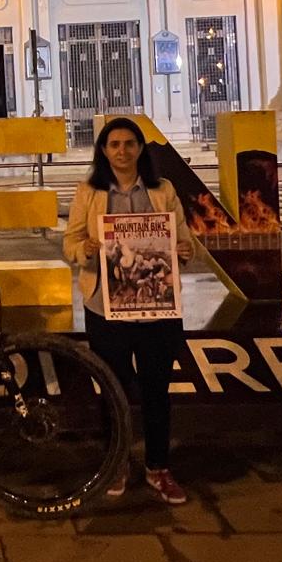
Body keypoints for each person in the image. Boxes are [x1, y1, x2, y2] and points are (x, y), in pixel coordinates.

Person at [63, 117, 195, 505]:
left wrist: (184, 252)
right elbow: (69, 242)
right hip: (106, 308)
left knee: (157, 391)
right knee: (113, 390)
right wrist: (83, 250)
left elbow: (182, 238)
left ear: (141, 148)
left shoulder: (163, 190)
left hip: (156, 310)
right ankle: (117, 463)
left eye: (129, 143)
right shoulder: (89, 191)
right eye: (114, 144)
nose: (122, 151)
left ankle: (158, 467)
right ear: (103, 151)